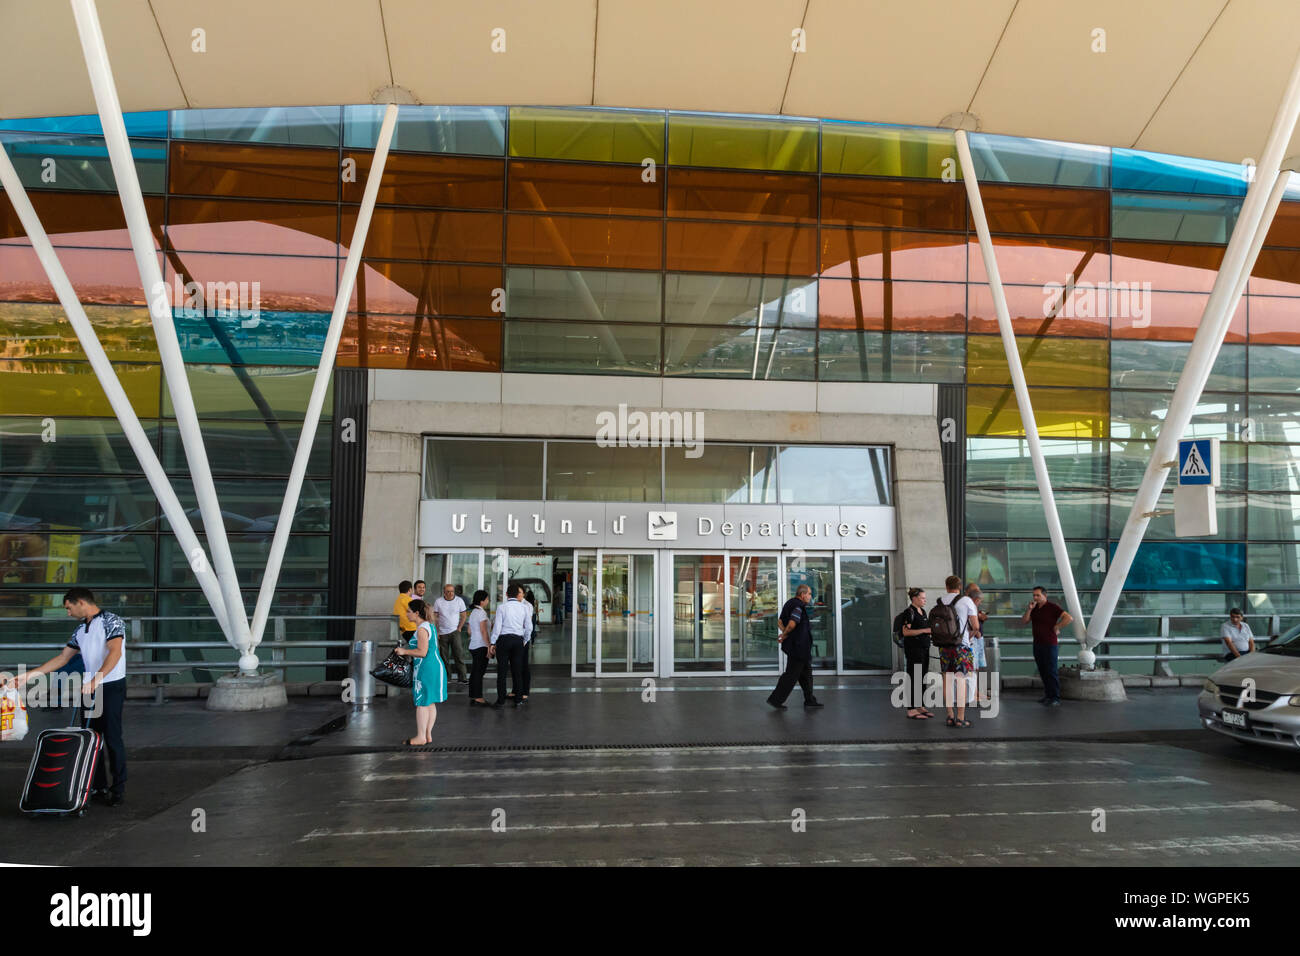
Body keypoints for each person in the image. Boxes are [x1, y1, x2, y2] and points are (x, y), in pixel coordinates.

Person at [2, 587, 128, 805]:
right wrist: (28, 676)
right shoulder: (81, 630)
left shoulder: (112, 620)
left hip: (110, 686)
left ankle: (118, 789)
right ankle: (97, 787)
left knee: (112, 738)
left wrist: (96, 679)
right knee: (91, 737)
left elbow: (115, 651)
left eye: (69, 608)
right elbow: (63, 658)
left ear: (80, 602)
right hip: (90, 687)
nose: (68, 613)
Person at [392, 599, 447, 745]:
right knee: (430, 702)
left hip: (426, 668)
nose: (407, 614)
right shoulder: (430, 626)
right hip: (435, 667)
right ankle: (427, 734)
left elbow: (422, 652)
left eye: (409, 611)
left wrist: (404, 651)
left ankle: (421, 736)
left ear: (416, 613)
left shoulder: (422, 629)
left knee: (422, 702)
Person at [766, 584, 823, 710]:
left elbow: (780, 622)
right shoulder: (798, 606)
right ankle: (775, 700)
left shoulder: (789, 603)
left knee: (806, 674)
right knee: (791, 675)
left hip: (797, 646)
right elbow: (792, 624)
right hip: (799, 647)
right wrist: (785, 634)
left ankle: (809, 700)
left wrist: (785, 634)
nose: (810, 596)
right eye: (809, 594)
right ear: (802, 595)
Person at [935, 575, 979, 727]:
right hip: (962, 647)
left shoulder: (940, 600)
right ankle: (960, 718)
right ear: (960, 587)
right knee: (961, 680)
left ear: (946, 586)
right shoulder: (966, 601)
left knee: (947, 680)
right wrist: (968, 635)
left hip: (944, 646)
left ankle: (949, 715)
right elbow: (976, 625)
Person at [1020, 585, 1072, 706]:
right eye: (1034, 595)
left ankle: (1055, 698)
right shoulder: (1034, 608)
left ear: (1045, 595)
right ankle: (1048, 695)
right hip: (1037, 644)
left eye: (1038, 595)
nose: (1035, 597)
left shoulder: (1052, 607)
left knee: (1051, 671)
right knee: (1043, 671)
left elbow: (1068, 618)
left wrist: (1058, 626)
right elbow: (1024, 621)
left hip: (1050, 644)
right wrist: (1029, 609)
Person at [894, 587, 935, 720]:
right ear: (914, 599)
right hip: (913, 650)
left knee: (922, 677)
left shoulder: (922, 611)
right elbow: (906, 632)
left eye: (924, 598)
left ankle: (920, 705)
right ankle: (911, 709)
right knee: (914, 677)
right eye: (922, 598)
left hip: (924, 648)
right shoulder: (909, 612)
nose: (925, 600)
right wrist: (924, 631)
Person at [490, 583, 533, 708]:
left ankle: (501, 700)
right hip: (518, 640)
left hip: (504, 640)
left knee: (502, 671)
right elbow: (529, 627)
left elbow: (497, 627)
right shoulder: (524, 607)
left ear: (507, 594)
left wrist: (493, 642)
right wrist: (525, 639)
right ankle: (518, 699)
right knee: (517, 670)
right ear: (518, 594)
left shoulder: (502, 607)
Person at [432, 583, 469, 684]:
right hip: (442, 633)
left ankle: (462, 678)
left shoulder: (459, 601)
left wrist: (460, 628)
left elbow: (464, 616)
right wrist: (437, 631)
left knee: (459, 655)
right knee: (444, 657)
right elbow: (435, 618)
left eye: (452, 591)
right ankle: (447, 678)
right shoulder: (438, 602)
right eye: (448, 591)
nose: (450, 593)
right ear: (444, 592)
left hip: (455, 632)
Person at [966, 584, 992, 705]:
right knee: (972, 668)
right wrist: (976, 634)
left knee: (975, 668)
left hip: (976, 639)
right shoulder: (969, 606)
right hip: (974, 640)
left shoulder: (973, 607)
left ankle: (976, 692)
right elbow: (972, 625)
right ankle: (973, 694)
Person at [465, 590, 492, 706]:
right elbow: (484, 631)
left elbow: (469, 631)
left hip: (474, 645)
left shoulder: (473, 612)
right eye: (487, 599)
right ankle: (478, 697)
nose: (488, 600)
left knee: (475, 672)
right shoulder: (481, 613)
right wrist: (488, 646)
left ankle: (474, 695)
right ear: (482, 601)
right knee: (479, 672)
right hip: (481, 645)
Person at [521, 588, 539, 702]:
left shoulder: (527, 605)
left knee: (523, 666)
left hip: (523, 640)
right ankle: (515, 690)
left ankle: (524, 692)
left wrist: (526, 640)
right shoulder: (510, 605)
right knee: (515, 666)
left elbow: (528, 626)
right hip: (516, 639)